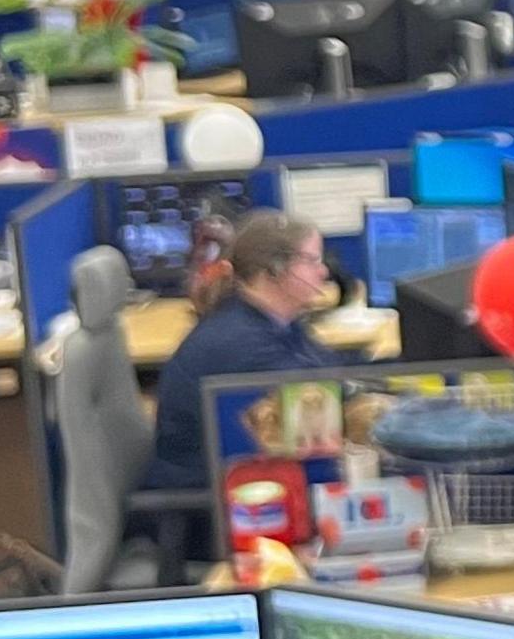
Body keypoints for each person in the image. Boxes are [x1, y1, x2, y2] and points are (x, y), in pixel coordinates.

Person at [142, 211, 355, 562]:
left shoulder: (273, 321)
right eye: (312, 261)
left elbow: (330, 377)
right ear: (275, 269)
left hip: (248, 494)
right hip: (220, 517)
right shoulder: (243, 345)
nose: (324, 272)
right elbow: (316, 412)